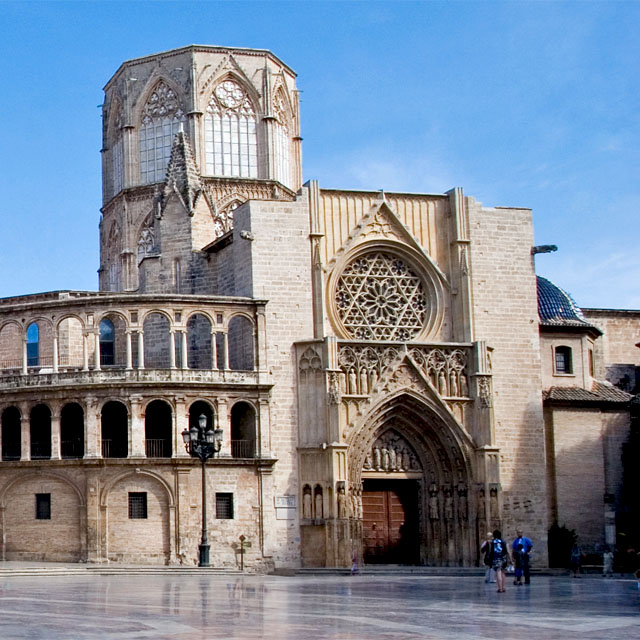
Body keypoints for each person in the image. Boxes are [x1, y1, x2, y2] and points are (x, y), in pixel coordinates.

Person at [491, 529, 511, 593]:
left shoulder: (493, 542)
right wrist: (510, 559)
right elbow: (508, 551)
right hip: (503, 559)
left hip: (496, 559)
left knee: (498, 573)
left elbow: (491, 552)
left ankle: (500, 588)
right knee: (503, 573)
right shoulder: (503, 541)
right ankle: (503, 587)